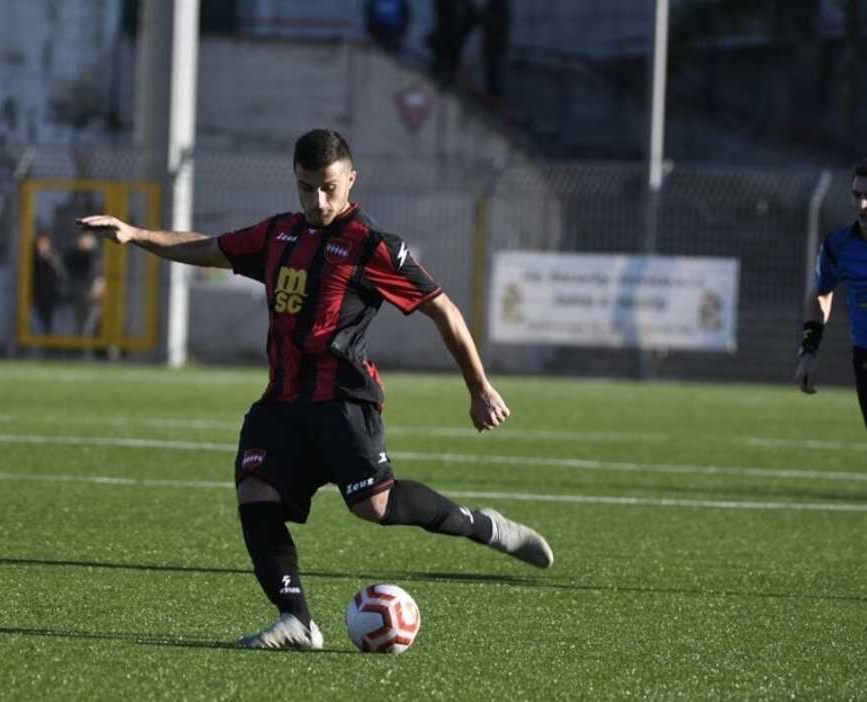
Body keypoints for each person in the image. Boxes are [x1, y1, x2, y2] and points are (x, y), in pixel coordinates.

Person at [78, 129, 552, 651]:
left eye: (328, 188)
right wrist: (135, 234)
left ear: (350, 180)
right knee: (255, 491)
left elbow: (443, 310)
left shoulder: (374, 246)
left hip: (342, 401)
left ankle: (482, 526)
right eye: (307, 188)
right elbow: (210, 248)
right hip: (281, 402)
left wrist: (479, 387)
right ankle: (296, 619)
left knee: (373, 506)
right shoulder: (279, 234)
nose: (318, 200)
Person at [794, 158, 867, 429]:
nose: (862, 204)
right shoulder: (838, 246)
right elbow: (821, 295)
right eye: (857, 195)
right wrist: (808, 351)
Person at [32, 231, 66, 335]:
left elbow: (60, 272)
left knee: (49, 320)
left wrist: (49, 258)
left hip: (50, 294)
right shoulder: (33, 257)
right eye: (41, 243)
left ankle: (48, 336)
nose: (43, 246)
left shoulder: (52, 256)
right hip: (36, 294)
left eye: (45, 243)